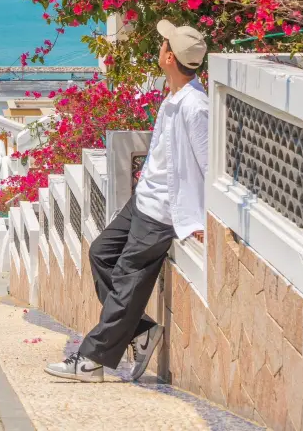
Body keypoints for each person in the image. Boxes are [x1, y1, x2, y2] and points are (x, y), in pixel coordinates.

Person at [45, 20, 208, 383]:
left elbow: (210, 164)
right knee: (101, 253)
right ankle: (141, 330)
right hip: (142, 203)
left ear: (169, 57)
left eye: (163, 44)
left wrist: (201, 221)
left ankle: (91, 361)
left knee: (126, 283)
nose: (159, 47)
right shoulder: (174, 97)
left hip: (162, 215)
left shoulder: (196, 106)